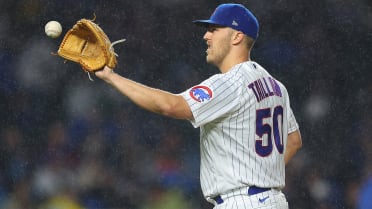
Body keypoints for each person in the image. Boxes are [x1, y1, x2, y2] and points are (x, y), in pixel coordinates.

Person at [95, 3, 302, 209]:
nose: (206, 36)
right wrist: (263, 177)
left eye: (214, 29)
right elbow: (293, 140)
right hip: (272, 200)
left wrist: (111, 77)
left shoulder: (229, 83)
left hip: (241, 202)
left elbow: (169, 106)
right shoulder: (276, 86)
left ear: (237, 37)